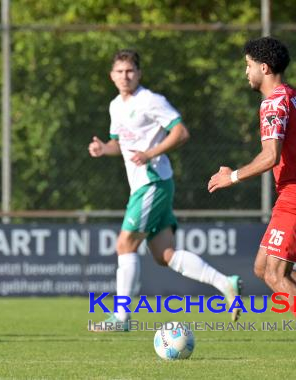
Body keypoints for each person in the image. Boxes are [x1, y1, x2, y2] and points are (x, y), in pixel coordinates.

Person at [208, 37, 296, 361]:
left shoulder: (273, 103)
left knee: (275, 274)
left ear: (263, 67)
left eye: (248, 65)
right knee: (261, 267)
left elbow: (270, 156)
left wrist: (233, 176)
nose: (246, 72)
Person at [88, 49, 241, 331]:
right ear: (111, 76)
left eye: (130, 71)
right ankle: (224, 283)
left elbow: (180, 132)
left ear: (139, 74)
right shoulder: (115, 106)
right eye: (119, 71)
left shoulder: (151, 101)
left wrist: (150, 153)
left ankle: (121, 318)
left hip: (152, 182)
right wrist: (102, 149)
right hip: (148, 184)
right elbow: (117, 145)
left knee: (125, 244)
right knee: (164, 254)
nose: (125, 76)